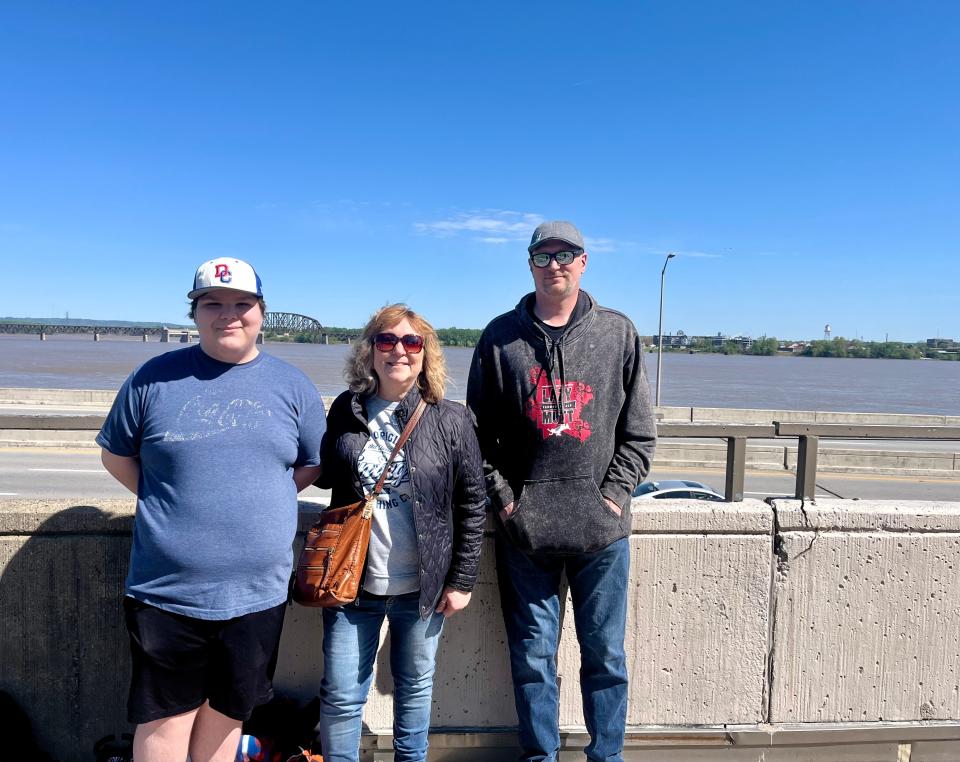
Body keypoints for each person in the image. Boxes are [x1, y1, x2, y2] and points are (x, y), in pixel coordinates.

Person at [97, 257, 327, 762]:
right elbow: (115, 454)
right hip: (166, 590)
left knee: (229, 716)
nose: (229, 315)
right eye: (213, 304)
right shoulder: (150, 379)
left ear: (262, 313)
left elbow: (310, 464)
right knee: (165, 720)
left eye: (242, 304)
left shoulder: (293, 387)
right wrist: (168, 496)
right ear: (195, 313)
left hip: (258, 593)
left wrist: (260, 500)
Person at [467, 221, 657, 762]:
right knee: (532, 659)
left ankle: (607, 755)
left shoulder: (618, 333)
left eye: (565, 254)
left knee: (605, 658)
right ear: (529, 264)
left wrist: (613, 496)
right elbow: (477, 436)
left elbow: (641, 432)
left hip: (602, 534)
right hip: (525, 533)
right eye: (543, 255)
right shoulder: (500, 337)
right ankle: (539, 757)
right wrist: (507, 501)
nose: (555, 264)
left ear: (584, 261)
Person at [316, 304, 486, 762]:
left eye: (412, 342)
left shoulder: (450, 418)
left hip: (423, 588)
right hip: (352, 585)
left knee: (413, 694)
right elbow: (323, 474)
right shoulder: (345, 410)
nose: (399, 351)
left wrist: (461, 581)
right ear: (370, 352)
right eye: (386, 341)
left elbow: (472, 504)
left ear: (425, 353)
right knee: (341, 696)